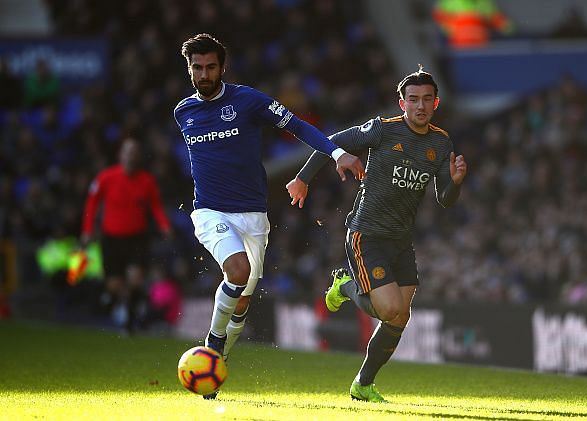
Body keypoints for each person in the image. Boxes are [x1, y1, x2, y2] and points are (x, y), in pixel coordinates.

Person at [173, 33, 365, 399]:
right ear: (189, 68)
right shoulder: (183, 111)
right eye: (197, 67)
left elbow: (298, 126)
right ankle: (213, 346)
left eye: (210, 66)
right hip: (210, 210)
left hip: (253, 215)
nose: (204, 74)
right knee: (238, 271)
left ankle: (218, 365)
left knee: (242, 299)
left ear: (222, 67)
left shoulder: (247, 100)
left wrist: (337, 152)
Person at [286, 67, 467, 402]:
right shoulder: (383, 131)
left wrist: (454, 183)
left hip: (401, 239)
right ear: (402, 103)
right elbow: (335, 141)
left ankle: (364, 384)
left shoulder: (441, 143)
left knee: (400, 315)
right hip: (366, 234)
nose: (420, 106)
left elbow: (444, 199)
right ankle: (345, 286)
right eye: (413, 99)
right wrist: (302, 178)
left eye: (427, 99)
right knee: (388, 309)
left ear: (436, 103)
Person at [81, 137, 172, 333]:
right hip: (111, 238)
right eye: (127, 151)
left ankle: (129, 320)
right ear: (120, 155)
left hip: (136, 238)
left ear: (138, 157)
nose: (131, 156)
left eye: (134, 152)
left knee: (136, 279)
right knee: (115, 284)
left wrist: (164, 225)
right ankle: (116, 302)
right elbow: (92, 202)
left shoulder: (147, 181)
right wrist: (88, 229)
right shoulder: (106, 177)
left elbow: (155, 205)